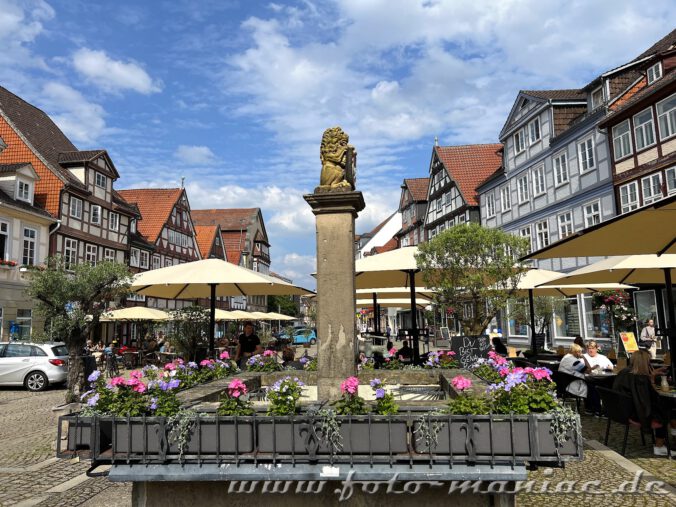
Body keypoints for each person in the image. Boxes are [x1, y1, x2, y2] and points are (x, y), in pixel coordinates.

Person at [613, 349, 676, 456]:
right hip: (636, 414)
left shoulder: (624, 373)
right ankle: (660, 446)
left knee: (666, 408)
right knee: (669, 410)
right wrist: (651, 378)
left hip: (621, 411)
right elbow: (652, 398)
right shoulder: (640, 378)